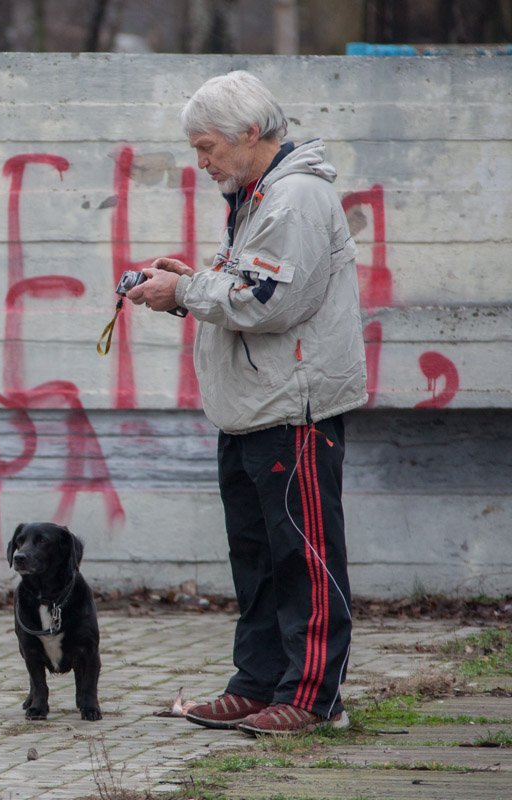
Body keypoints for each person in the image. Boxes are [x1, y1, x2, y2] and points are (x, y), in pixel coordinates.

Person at [126, 70, 366, 737]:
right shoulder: (258, 194)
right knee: (258, 558)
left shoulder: (293, 199)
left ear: (249, 134)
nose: (201, 163)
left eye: (207, 148)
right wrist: (192, 280)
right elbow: (246, 281)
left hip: (293, 408)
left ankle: (314, 696)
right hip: (253, 406)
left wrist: (185, 295)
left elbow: (265, 302)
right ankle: (258, 682)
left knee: (303, 557)